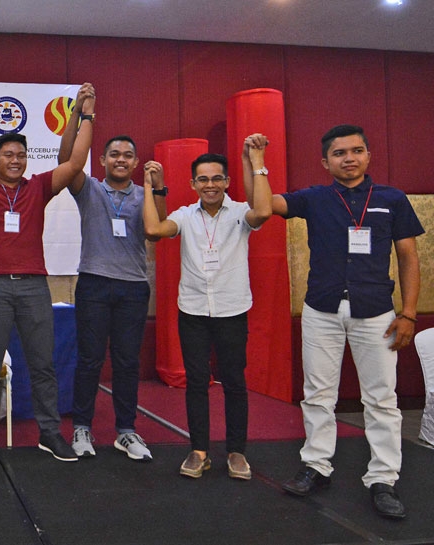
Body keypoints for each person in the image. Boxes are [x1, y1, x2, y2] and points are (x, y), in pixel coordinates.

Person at [270, 125, 423, 519]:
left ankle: (383, 478)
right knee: (318, 394)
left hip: (377, 313)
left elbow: (408, 258)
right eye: (339, 153)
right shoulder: (315, 198)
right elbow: (265, 205)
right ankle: (317, 466)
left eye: (356, 151)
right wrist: (256, 164)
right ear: (326, 162)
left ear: (369, 155)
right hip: (322, 310)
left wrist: (408, 313)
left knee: (382, 399)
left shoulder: (393, 199)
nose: (349, 158)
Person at [0, 83, 95, 465]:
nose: (16, 160)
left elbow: (76, 162)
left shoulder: (39, 187)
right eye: (8, 154)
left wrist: (84, 113)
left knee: (43, 365)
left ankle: (49, 433)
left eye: (21, 154)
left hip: (34, 286)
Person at [142, 137, 273, 479]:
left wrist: (256, 161)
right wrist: (149, 187)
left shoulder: (241, 213)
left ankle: (236, 451)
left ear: (227, 181)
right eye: (203, 179)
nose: (210, 185)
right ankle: (199, 450)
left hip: (232, 310)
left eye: (216, 178)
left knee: (233, 381)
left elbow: (264, 211)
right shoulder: (185, 215)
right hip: (194, 312)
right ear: (193, 184)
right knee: (197, 381)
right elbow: (154, 229)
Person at [59, 86, 168, 461]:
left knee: (126, 361)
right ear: (102, 159)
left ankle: (126, 431)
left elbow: (160, 224)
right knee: (89, 359)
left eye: (128, 155)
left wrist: (160, 186)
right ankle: (81, 428)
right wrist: (80, 112)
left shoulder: (144, 192)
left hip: (134, 287)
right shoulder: (87, 188)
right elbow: (65, 158)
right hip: (93, 282)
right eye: (114, 154)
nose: (121, 160)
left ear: (136, 162)